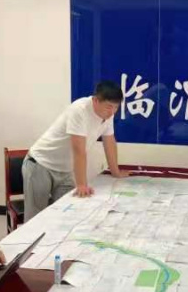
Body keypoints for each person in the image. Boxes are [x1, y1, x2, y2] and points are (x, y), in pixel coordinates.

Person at [23, 80, 129, 222]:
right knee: (36, 218)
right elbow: (79, 150)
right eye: (109, 107)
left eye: (116, 107)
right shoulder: (79, 110)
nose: (112, 112)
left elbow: (109, 141)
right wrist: (81, 184)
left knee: (68, 212)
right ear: (96, 100)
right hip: (41, 164)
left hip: (65, 169)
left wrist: (115, 172)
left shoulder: (107, 115)